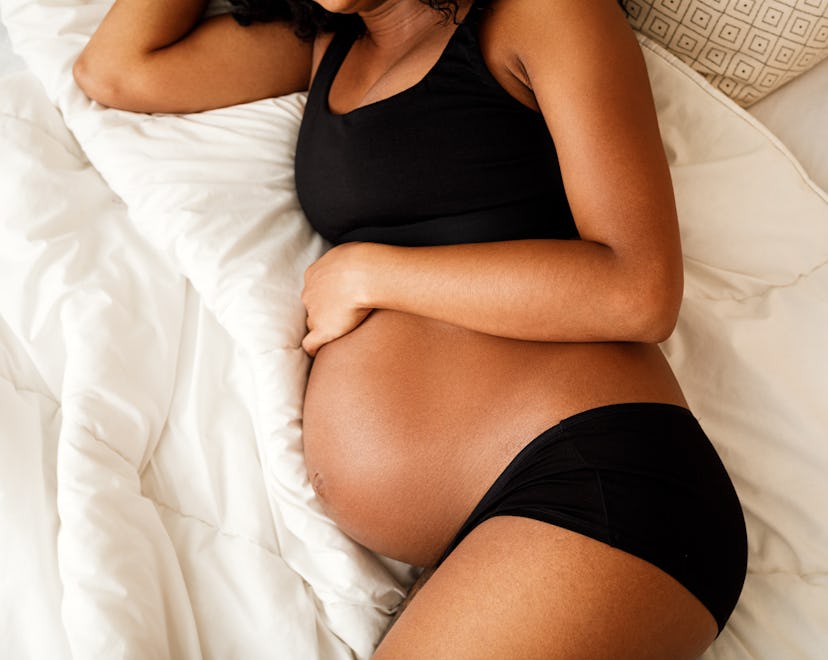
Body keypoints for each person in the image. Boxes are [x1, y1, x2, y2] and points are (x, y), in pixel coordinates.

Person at [74, 0, 748, 656]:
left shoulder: (544, 12)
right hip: (498, 537)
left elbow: (638, 290)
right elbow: (116, 70)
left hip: (598, 489)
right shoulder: (324, 43)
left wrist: (373, 274)